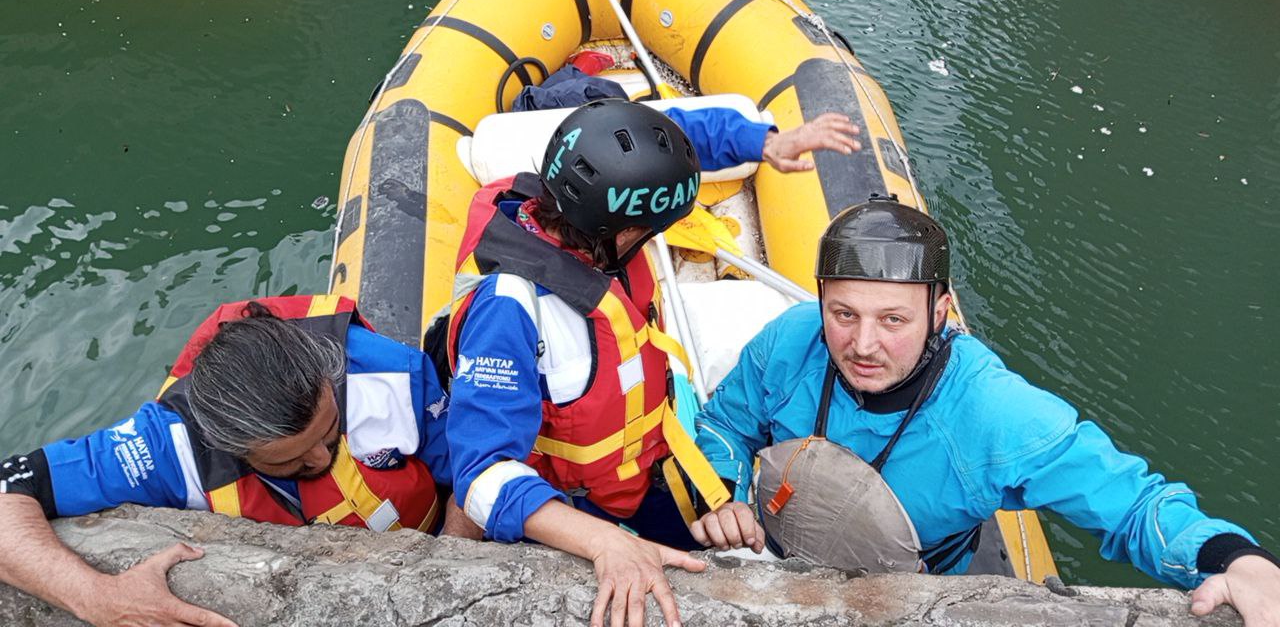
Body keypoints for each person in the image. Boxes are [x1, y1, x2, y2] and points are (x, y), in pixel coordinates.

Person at [691, 196, 1280, 624]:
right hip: (775, 556)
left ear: (941, 311)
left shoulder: (994, 413)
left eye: (893, 320)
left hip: (915, 594)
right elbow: (725, 424)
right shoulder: (791, 340)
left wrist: (1238, 558)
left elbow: (1132, 507)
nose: (863, 344)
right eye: (843, 314)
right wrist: (723, 492)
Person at [443, 99, 860, 627]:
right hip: (571, 498)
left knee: (736, 544)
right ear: (619, 234)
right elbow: (480, 475)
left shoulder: (574, 195)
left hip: (641, 460)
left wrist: (763, 143)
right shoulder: (509, 311)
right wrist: (604, 543)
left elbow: (662, 139)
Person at [0, 294, 465, 627]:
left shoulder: (387, 374)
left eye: (329, 431)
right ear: (230, 444)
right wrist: (99, 599)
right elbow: (8, 490)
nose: (323, 457)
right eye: (293, 460)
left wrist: (450, 558)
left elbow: (474, 468)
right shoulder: (167, 448)